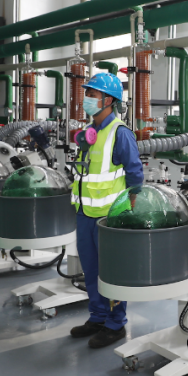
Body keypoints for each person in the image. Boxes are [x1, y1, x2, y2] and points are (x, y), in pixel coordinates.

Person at [70, 72, 143, 349]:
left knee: (111, 271)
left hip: (109, 218)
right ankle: (98, 317)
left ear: (109, 100)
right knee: (90, 270)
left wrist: (129, 209)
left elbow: (135, 175)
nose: (87, 98)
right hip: (85, 214)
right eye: (87, 93)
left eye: (93, 94)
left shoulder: (120, 133)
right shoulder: (90, 133)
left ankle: (115, 324)